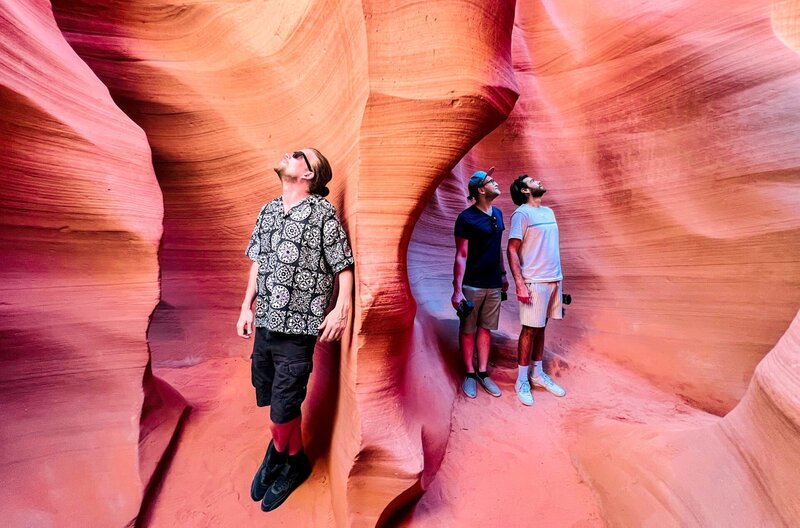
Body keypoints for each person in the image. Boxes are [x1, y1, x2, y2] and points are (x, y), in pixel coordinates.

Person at [236, 148, 354, 511]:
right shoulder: (269, 209)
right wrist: (246, 306)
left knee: (283, 408)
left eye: (301, 155)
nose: (291, 154)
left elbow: (342, 264)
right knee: (271, 396)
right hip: (266, 324)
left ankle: (294, 461)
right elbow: (259, 260)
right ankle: (280, 452)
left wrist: (341, 307)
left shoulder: (322, 214)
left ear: (309, 175)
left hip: (298, 329)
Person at [507, 174, 567, 406]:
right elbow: (512, 250)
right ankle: (521, 380)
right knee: (530, 330)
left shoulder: (548, 212)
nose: (538, 182)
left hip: (553, 279)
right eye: (532, 181)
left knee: (541, 328)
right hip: (534, 281)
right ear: (524, 190)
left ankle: (537, 373)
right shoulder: (521, 214)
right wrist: (520, 283)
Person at [451, 167, 509, 399]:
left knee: (485, 329)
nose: (496, 183)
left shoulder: (499, 214)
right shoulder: (466, 218)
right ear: (481, 189)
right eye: (491, 181)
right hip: (472, 284)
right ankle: (469, 373)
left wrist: (503, 274)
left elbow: (498, 248)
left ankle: (483, 373)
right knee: (468, 330)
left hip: (494, 284)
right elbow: (461, 254)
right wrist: (457, 291)